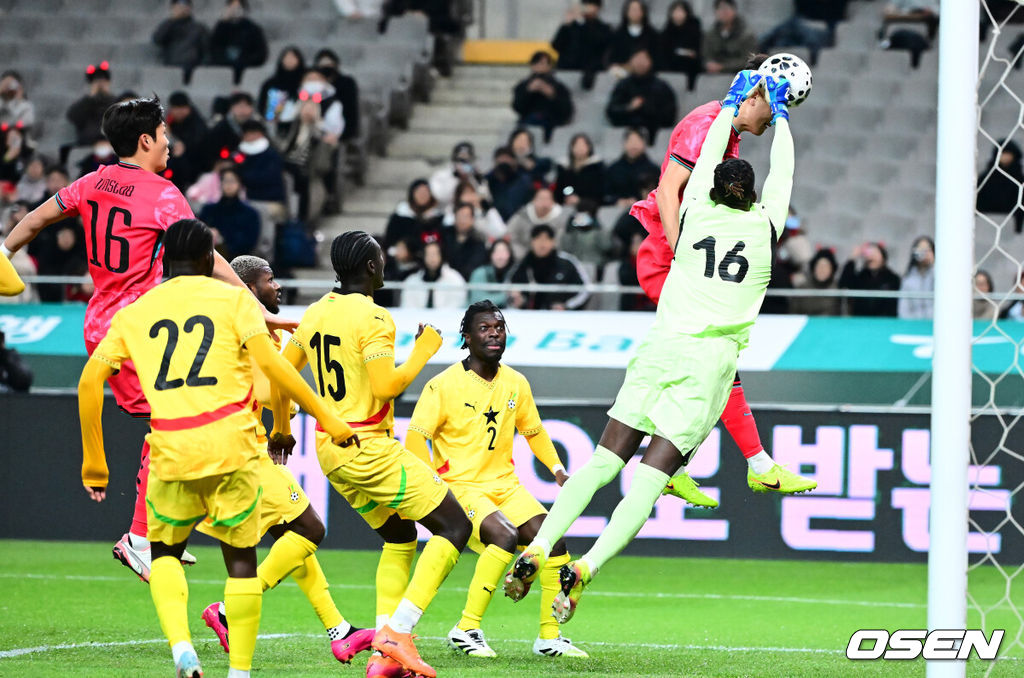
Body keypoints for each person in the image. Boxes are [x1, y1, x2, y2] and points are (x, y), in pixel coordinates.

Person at [505, 72, 814, 623]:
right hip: (708, 365)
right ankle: (588, 567)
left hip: (661, 349)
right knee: (649, 481)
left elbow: (707, 157)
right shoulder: (766, 231)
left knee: (602, 462)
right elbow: (783, 174)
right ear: (755, 198)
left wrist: (733, 102)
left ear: (711, 187)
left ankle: (539, 546)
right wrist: (783, 120)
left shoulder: (693, 215)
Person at [2, 97, 294, 582]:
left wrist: (4, 252)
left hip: (99, 322)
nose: (168, 143)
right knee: (173, 421)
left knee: (171, 422)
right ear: (144, 140)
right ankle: (141, 537)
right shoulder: (163, 195)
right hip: (142, 328)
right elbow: (211, 259)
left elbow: (34, 221)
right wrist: (257, 309)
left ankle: (161, 529)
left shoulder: (92, 182)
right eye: (162, 134)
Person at [76, 218, 355, 678]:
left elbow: (90, 382)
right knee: (242, 562)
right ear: (210, 259)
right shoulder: (235, 302)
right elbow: (275, 368)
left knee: (165, 554)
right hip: (232, 449)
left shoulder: (134, 312)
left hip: (170, 450)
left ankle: (182, 648)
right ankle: (239, 672)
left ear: (163, 261)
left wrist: (95, 463)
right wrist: (329, 418)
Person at [276, 231, 473, 678]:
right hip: (368, 447)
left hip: (330, 451)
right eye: (380, 258)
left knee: (400, 537)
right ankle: (397, 633)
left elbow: (279, 377)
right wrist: (423, 352)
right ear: (369, 266)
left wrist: (282, 428)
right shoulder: (374, 315)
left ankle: (384, 658)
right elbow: (386, 387)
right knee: (455, 526)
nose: (384, 264)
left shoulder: (315, 311)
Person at [625, 54, 814, 502]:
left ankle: (676, 464)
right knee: (716, 364)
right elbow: (669, 193)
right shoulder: (706, 124)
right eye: (777, 109)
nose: (772, 121)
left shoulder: (726, 131)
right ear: (759, 96)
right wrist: (682, 255)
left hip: (685, 260)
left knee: (706, 365)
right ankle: (753, 465)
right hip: (668, 258)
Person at [200, 255, 376, 666]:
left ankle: (339, 630)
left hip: (242, 448)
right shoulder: (243, 329)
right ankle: (227, 610)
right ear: (248, 289)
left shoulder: (254, 328)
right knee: (310, 529)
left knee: (292, 538)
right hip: (242, 451)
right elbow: (267, 388)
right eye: (269, 280)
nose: (277, 286)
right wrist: (289, 414)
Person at [405, 301, 587, 658]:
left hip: (505, 486)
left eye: (499, 327)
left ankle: (549, 638)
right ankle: (466, 628)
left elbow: (534, 431)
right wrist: (432, 485)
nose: (494, 334)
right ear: (467, 337)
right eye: (485, 328)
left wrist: (558, 470)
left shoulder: (516, 382)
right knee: (504, 536)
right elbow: (415, 437)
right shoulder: (443, 385)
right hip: (461, 488)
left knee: (552, 540)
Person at [605, 48, 678, 145]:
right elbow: (611, 111)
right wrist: (629, 108)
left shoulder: (661, 87)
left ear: (650, 61)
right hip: (625, 136)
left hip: (654, 136)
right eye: (637, 58)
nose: (640, 63)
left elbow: (669, 116)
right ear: (630, 61)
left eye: (643, 58)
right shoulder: (623, 85)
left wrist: (646, 108)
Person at [509, 224, 590, 311]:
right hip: (529, 315)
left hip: (561, 316)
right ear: (532, 242)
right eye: (538, 239)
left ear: (553, 242)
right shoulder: (523, 264)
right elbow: (509, 287)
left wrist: (566, 306)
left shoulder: (567, 263)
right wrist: (518, 300)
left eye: (546, 239)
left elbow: (585, 289)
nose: (542, 244)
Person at [512, 51, 574, 144]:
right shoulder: (523, 86)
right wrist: (528, 91)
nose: (540, 66)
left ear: (550, 66)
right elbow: (517, 107)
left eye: (544, 63)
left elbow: (566, 111)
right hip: (528, 121)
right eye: (537, 63)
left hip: (552, 122)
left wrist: (552, 95)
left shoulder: (558, 87)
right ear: (532, 65)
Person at [199, 167, 262, 260]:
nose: (229, 185)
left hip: (238, 259)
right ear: (220, 183)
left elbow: (249, 242)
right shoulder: (209, 210)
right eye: (225, 181)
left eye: (232, 181)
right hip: (209, 258)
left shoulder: (250, 213)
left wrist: (223, 241)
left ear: (240, 184)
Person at [550, 0, 613, 90]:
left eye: (591, 5)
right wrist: (566, 25)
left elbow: (598, 44)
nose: (588, 8)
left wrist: (582, 22)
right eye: (585, 5)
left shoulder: (604, 29)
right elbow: (556, 45)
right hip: (567, 71)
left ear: (598, 8)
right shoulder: (570, 26)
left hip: (590, 74)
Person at [210, 0, 269, 85]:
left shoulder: (254, 29)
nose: (235, 10)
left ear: (244, 9)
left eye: (238, 7)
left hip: (245, 71)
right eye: (232, 7)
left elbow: (261, 54)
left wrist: (244, 61)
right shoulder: (221, 28)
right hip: (223, 72)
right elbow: (213, 48)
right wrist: (223, 22)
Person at [152, 0, 209, 85]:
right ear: (173, 8)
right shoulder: (167, 26)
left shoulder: (199, 28)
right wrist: (172, 20)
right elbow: (157, 39)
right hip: (171, 67)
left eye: (185, 5)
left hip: (192, 67)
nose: (182, 8)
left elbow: (206, 49)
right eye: (179, 6)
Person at [401, 239, 468, 309]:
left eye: (435, 254)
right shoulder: (412, 281)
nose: (432, 258)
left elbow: (457, 305)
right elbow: (407, 307)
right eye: (428, 254)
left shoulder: (455, 279)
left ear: (441, 255)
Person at [507, 186, 570, 259]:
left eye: (547, 199)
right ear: (533, 200)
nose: (544, 202)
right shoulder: (522, 215)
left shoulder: (562, 218)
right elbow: (510, 235)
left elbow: (561, 241)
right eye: (541, 198)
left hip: (551, 257)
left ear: (553, 202)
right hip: (522, 255)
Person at [838, 241, 900, 317]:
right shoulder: (861, 277)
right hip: (861, 319)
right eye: (869, 254)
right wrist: (852, 259)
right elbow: (844, 283)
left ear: (883, 257)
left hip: (884, 320)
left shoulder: (892, 278)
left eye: (875, 254)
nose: (871, 257)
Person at [314, 49, 362, 142]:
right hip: (319, 130)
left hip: (341, 132)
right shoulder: (315, 85)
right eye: (322, 65)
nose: (326, 68)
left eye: (329, 64)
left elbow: (351, 111)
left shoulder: (346, 83)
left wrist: (341, 134)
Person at [65, 61, 117, 148]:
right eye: (96, 82)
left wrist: (107, 97)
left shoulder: (115, 102)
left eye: (103, 81)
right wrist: (91, 97)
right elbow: (72, 116)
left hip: (111, 146)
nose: (100, 84)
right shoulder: (85, 102)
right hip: (87, 146)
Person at [976, 140, 1024, 233]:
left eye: (1008, 154)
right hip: (985, 224)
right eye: (1003, 153)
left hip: (1013, 228)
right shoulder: (986, 177)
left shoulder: (1020, 179)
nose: (1005, 157)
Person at [604, 127, 659, 206]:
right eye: (630, 141)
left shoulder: (654, 170)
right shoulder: (613, 169)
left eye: (637, 141)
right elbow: (605, 195)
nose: (634, 145)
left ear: (644, 144)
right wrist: (617, 201)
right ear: (624, 143)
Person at [384, 178, 443, 252]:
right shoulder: (400, 216)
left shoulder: (437, 218)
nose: (422, 195)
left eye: (426, 192)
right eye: (419, 192)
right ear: (412, 194)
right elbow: (389, 241)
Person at [704, 0, 759, 74]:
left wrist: (723, 66)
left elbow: (750, 60)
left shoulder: (747, 35)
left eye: (726, 9)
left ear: (734, 10)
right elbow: (706, 56)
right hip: (714, 75)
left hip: (738, 74)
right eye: (719, 9)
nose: (723, 13)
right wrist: (709, 64)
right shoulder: (711, 34)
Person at [204, 91, 255, 170]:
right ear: (231, 108)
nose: (243, 111)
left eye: (247, 106)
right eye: (240, 106)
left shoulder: (256, 127)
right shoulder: (221, 128)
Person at [658, 1, 702, 91]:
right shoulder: (666, 32)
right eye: (675, 11)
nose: (678, 14)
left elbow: (698, 51)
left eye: (681, 11)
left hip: (690, 68)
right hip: (671, 66)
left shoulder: (694, 30)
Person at [430, 141, 488, 209]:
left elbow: (485, 198)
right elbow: (441, 197)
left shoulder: (476, 177)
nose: (464, 165)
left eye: (468, 161)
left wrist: (479, 180)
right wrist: (456, 177)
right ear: (454, 160)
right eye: (461, 160)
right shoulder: (440, 176)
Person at [258, 46, 306, 127]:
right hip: (275, 123)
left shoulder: (304, 83)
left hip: (300, 123)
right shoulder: (270, 83)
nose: (290, 60)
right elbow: (262, 106)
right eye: (287, 57)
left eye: (293, 57)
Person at [555, 133, 606, 206]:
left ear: (589, 147)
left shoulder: (597, 167)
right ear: (571, 147)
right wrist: (566, 197)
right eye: (577, 145)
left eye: (583, 145)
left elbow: (599, 192)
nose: (580, 148)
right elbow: (560, 190)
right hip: (566, 205)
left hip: (591, 206)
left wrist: (580, 200)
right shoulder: (564, 168)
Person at [607, 0, 659, 72]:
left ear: (643, 12)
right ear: (626, 12)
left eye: (638, 10)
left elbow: (657, 57)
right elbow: (612, 57)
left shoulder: (652, 35)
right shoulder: (618, 34)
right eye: (632, 10)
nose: (635, 13)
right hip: (623, 72)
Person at [443, 202, 489, 280]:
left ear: (472, 219)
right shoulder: (445, 235)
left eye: (466, 217)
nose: (462, 220)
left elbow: (474, 265)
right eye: (459, 216)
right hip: (444, 279)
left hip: (467, 281)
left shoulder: (478, 241)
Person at [487, 146, 534, 222]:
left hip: (519, 220)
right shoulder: (489, 181)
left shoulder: (524, 181)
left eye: (507, 158)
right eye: (501, 159)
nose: (504, 161)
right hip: (495, 221)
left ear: (514, 161)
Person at [790, 249, 841, 316]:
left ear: (832, 270)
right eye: (819, 266)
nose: (822, 270)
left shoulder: (838, 291)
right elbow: (793, 313)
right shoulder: (802, 289)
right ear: (814, 268)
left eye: (826, 267)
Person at [468, 240, 516, 307]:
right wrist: (507, 295)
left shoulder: (513, 273)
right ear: (491, 254)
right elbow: (477, 300)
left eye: (504, 252)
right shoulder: (479, 273)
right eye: (497, 251)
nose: (500, 256)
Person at [898, 235, 934, 319]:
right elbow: (903, 309)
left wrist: (933, 263)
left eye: (928, 249)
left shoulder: (938, 274)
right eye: (921, 250)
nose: (924, 253)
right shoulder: (908, 278)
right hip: (914, 322)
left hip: (935, 322)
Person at [0, 70, 36, 135]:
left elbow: (26, 122)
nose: (8, 88)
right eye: (6, 85)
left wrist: (18, 99)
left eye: (11, 84)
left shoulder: (26, 106)